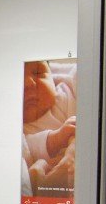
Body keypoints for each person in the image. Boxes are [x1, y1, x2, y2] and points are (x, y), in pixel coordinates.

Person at [22, 60, 76, 196]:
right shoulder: (21, 129)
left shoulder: (67, 93)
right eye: (19, 79)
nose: (28, 83)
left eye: (37, 73)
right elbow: (29, 148)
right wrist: (55, 138)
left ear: (52, 77)